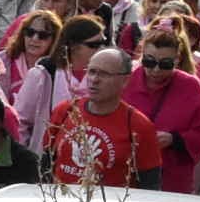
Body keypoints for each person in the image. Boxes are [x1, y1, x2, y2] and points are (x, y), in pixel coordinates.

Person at [44, 45, 163, 188]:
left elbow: (150, 184)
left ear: (125, 80)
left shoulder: (139, 126)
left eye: (104, 74)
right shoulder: (65, 111)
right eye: (92, 71)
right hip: (61, 199)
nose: (94, 79)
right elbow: (46, 163)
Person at [130, 21, 200, 194]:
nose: (156, 70)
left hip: (172, 176)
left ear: (177, 60)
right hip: (130, 173)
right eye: (149, 62)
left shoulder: (191, 86)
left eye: (165, 64)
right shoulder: (127, 80)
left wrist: (174, 139)